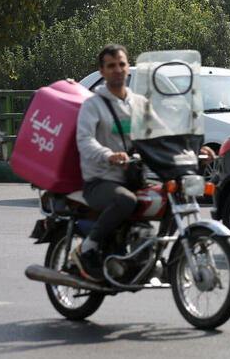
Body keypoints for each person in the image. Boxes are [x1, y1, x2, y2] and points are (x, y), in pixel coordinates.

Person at [72, 44, 213, 282]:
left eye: (121, 64)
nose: (118, 69)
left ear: (128, 68)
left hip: (133, 176)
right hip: (101, 180)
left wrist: (195, 149)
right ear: (102, 71)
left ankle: (154, 257)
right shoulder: (93, 104)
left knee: (173, 194)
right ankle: (87, 249)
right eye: (111, 65)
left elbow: (164, 134)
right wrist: (109, 155)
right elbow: (84, 140)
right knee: (125, 200)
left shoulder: (139, 103)